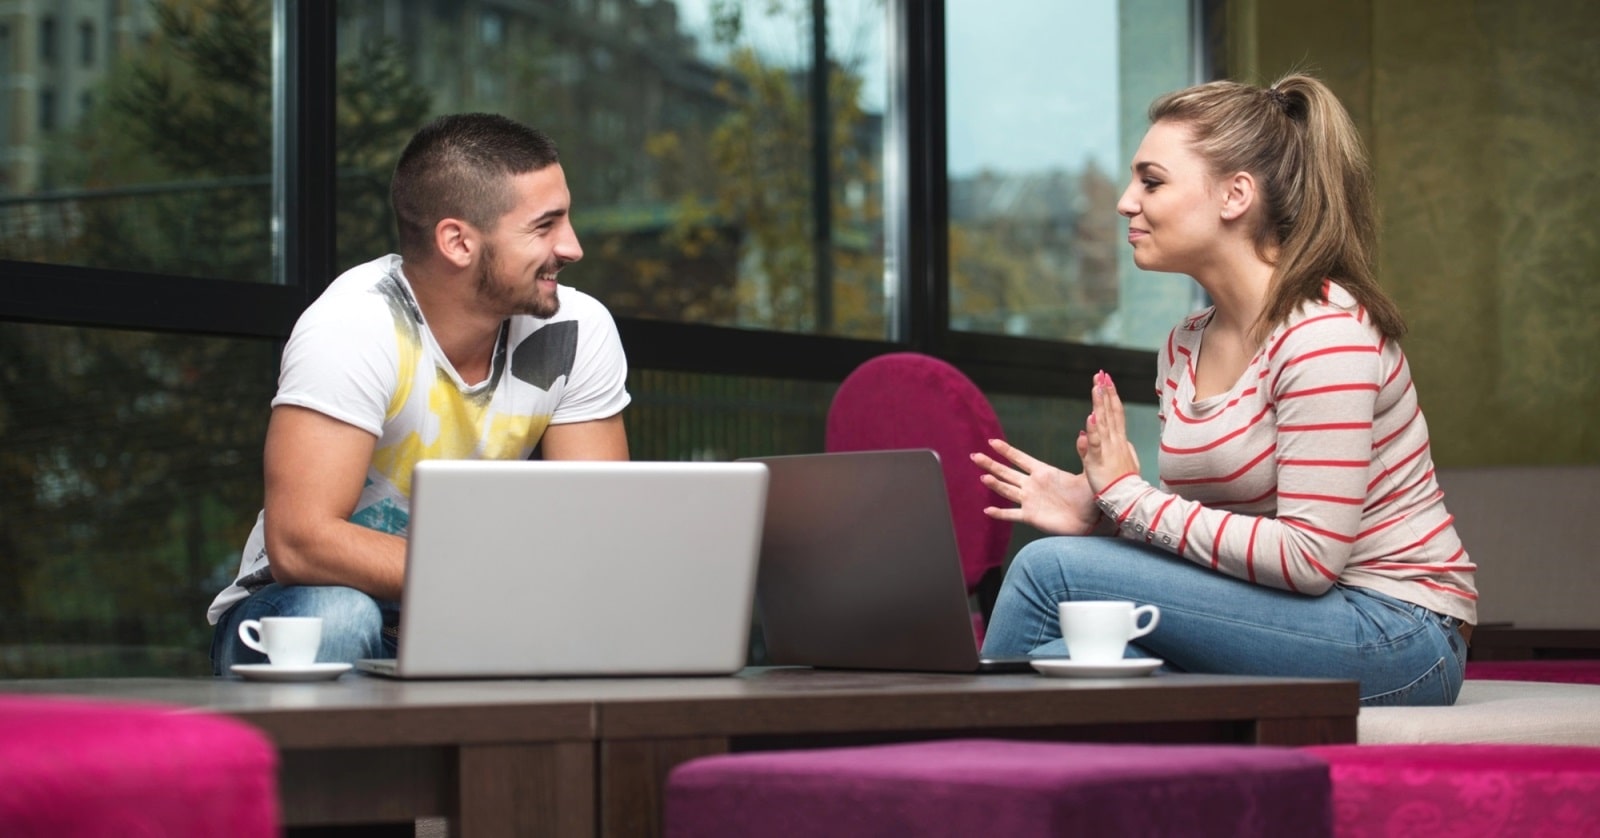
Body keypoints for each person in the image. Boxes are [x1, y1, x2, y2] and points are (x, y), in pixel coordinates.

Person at [972, 74, 1477, 706]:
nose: (1126, 201)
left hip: (1395, 633)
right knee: (1071, 658)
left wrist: (1129, 499)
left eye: (1151, 181)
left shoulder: (1324, 334)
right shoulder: (1185, 345)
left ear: (1235, 195)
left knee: (1050, 570)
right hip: (1290, 616)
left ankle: (946, 767)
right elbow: (1219, 536)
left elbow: (1308, 557)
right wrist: (1103, 517)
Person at [207, 113, 631, 671]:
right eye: (544, 226)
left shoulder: (575, 330)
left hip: (470, 614)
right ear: (458, 241)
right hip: (298, 607)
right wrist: (490, 581)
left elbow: (597, 532)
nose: (572, 247)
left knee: (604, 628)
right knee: (343, 616)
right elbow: (300, 541)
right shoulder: (356, 325)